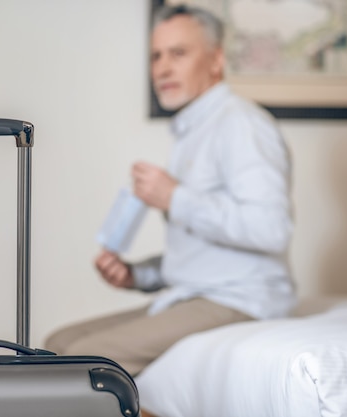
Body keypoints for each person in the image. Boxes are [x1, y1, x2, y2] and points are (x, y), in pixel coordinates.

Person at [44, 3, 296, 384]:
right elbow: (203, 254)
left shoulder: (241, 124)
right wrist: (137, 275)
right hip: (197, 292)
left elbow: (271, 228)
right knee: (55, 344)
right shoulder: (191, 131)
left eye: (178, 53)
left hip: (241, 299)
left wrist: (175, 198)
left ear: (216, 60)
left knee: (76, 362)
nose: (162, 69)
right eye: (156, 56)